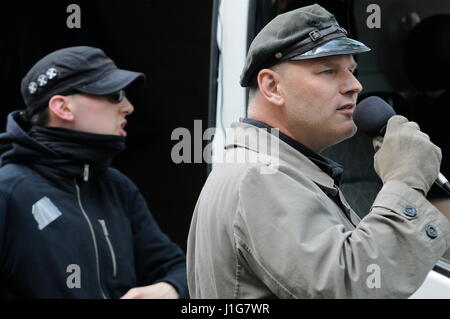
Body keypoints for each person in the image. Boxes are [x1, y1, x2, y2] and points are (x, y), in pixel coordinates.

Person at [187, 4, 450, 298]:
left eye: (352, 71)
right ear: (272, 86)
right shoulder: (261, 177)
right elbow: (353, 286)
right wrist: (406, 182)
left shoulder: (273, 170)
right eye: (328, 71)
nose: (355, 85)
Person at [0, 46, 188, 299]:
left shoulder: (118, 188)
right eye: (114, 94)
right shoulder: (8, 190)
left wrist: (169, 290)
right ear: (63, 108)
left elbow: (181, 269)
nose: (128, 107)